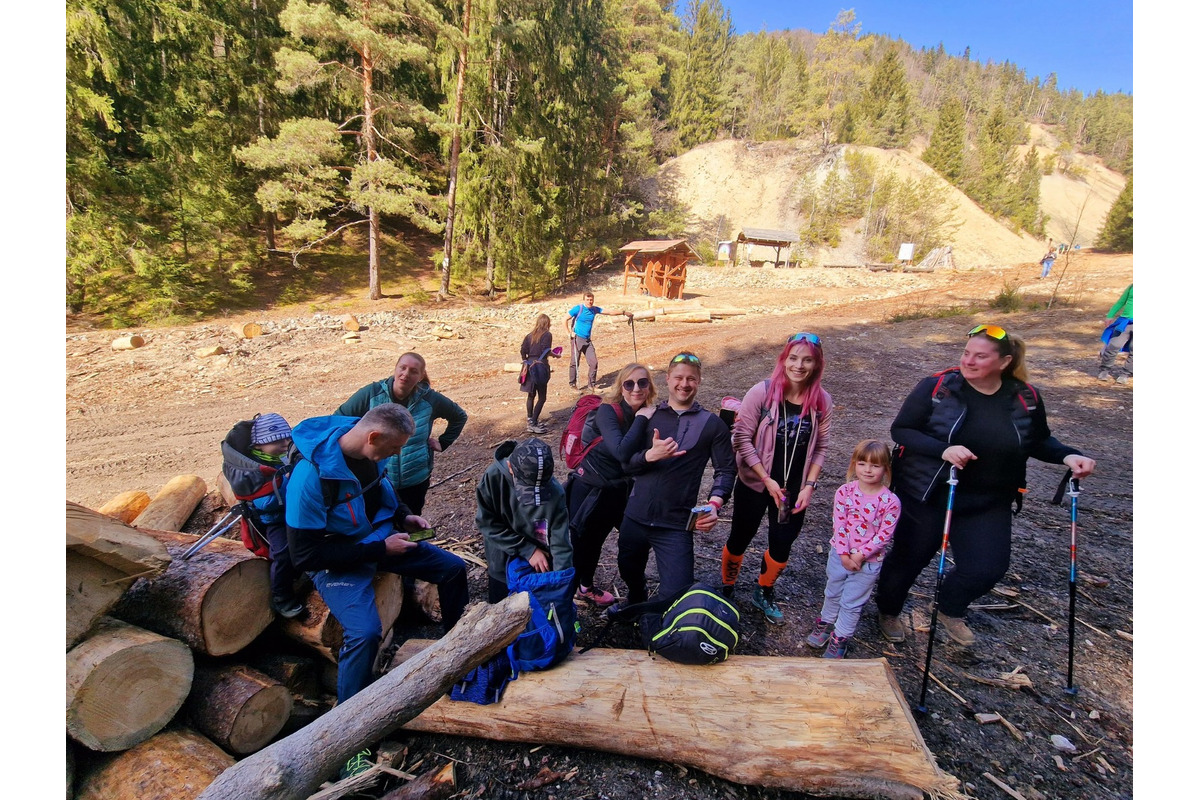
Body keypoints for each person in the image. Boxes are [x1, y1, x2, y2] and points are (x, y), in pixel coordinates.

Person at [874, 324, 1096, 647]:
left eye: (980, 356)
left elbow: (1039, 440)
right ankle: (888, 610)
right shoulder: (939, 388)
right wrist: (943, 450)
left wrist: (1069, 456)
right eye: (967, 354)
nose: (969, 361)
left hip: (989, 500)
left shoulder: (1025, 398)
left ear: (1004, 362)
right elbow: (902, 430)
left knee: (987, 568)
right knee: (908, 559)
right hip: (930, 492)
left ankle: (950, 607)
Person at [285, 403, 469, 774]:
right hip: (337, 559)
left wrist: (404, 516)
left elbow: (382, 489)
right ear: (373, 437)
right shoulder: (311, 476)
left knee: (454, 569)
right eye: (394, 448)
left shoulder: (368, 448)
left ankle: (457, 657)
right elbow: (304, 554)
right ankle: (350, 740)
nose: (398, 455)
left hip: (379, 538)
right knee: (365, 632)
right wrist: (378, 550)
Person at [721, 333, 832, 625]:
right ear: (784, 359)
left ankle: (764, 590)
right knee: (740, 537)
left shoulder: (822, 401)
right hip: (755, 483)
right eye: (793, 358)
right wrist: (765, 478)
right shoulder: (762, 392)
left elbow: (821, 447)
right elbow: (741, 438)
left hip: (793, 491)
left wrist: (809, 486)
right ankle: (727, 587)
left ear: (816, 364)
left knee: (782, 544)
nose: (799, 365)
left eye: (807, 359)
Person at [614, 352, 736, 605]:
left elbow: (726, 470)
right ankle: (637, 597)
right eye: (678, 377)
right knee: (628, 570)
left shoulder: (712, 424)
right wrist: (649, 455)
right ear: (668, 379)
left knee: (677, 594)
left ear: (699, 381)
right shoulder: (647, 416)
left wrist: (714, 505)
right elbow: (626, 464)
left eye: (691, 378)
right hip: (635, 516)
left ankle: (663, 622)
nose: (684, 383)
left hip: (677, 524)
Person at [565, 363, 657, 607]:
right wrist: (640, 420)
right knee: (581, 544)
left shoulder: (652, 413)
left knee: (627, 540)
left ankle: (594, 589)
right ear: (622, 388)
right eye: (629, 383)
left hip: (618, 488)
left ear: (650, 386)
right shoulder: (609, 411)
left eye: (642, 383)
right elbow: (620, 451)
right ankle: (567, 602)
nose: (636, 388)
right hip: (589, 488)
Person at [336, 352, 468, 515]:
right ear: (395, 369)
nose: (406, 374)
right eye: (403, 368)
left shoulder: (430, 399)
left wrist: (444, 442)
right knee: (375, 519)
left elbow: (459, 416)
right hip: (377, 478)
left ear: (420, 376)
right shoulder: (371, 394)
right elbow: (337, 420)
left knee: (411, 522)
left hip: (415, 478)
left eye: (413, 371)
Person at [805, 440, 901, 659]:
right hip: (839, 555)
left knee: (851, 602)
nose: (868, 470)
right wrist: (844, 553)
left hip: (868, 562)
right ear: (854, 465)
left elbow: (884, 535)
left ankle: (841, 637)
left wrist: (859, 555)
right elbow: (839, 524)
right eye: (862, 464)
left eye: (875, 465)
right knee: (833, 591)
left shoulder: (890, 501)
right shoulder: (844, 492)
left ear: (885, 468)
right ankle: (827, 622)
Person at [475, 438, 572, 603]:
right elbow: (487, 523)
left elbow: (560, 541)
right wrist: (528, 550)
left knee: (536, 615)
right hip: (501, 563)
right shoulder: (493, 478)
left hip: (539, 568)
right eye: (527, 489)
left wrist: (562, 582)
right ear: (510, 468)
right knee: (501, 612)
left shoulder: (555, 492)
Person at [245, 412, 305, 619]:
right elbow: (266, 503)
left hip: (297, 514)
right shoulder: (256, 470)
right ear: (258, 447)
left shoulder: (284, 458)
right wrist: (289, 481)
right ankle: (282, 597)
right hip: (275, 521)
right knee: (283, 553)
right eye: (276, 440)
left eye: (287, 438)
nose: (284, 443)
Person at [564, 291, 633, 392]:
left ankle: (591, 385)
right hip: (577, 338)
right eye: (587, 299)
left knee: (594, 362)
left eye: (591, 299)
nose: (590, 301)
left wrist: (623, 312)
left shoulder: (594, 309)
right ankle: (572, 385)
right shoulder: (578, 309)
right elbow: (564, 319)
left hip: (587, 340)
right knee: (575, 362)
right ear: (584, 300)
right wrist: (569, 333)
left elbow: (609, 312)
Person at [520, 314, 561, 434]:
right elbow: (546, 350)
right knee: (542, 397)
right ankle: (533, 423)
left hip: (528, 366)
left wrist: (525, 361)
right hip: (540, 367)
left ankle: (530, 419)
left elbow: (523, 350)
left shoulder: (529, 336)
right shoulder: (547, 335)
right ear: (547, 323)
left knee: (531, 395)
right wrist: (555, 355)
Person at [1097, 283, 1132, 385]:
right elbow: (1120, 302)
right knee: (1113, 345)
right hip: (1124, 322)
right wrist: (1110, 316)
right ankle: (1104, 370)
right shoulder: (1131, 287)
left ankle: (1125, 374)